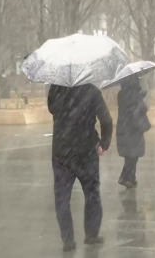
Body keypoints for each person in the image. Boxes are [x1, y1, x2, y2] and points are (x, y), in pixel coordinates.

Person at [47, 84, 113, 252]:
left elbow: (52, 109)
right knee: (92, 194)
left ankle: (68, 239)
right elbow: (106, 120)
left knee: (62, 198)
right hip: (86, 151)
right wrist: (104, 143)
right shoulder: (91, 90)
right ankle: (91, 234)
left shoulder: (56, 88)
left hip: (62, 151)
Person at [116, 76, 151, 188]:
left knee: (130, 155)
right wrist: (141, 100)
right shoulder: (133, 95)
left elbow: (129, 104)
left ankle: (131, 178)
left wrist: (140, 96)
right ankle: (124, 177)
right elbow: (136, 110)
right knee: (133, 155)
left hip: (124, 127)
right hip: (133, 129)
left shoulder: (122, 94)